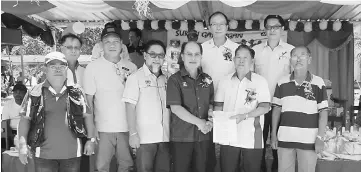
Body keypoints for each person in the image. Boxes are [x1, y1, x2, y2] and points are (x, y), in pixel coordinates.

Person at [17, 52, 96, 172]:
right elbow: (24, 120)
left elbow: (88, 116)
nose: (58, 69)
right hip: (43, 155)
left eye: (62, 66)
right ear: (45, 69)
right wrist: (22, 145)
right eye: (53, 66)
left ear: (66, 69)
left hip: (72, 155)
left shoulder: (77, 91)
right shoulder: (34, 92)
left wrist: (91, 140)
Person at [83, 24, 137, 172]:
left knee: (127, 166)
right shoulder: (92, 68)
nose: (112, 45)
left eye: (115, 41)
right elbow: (88, 102)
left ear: (122, 45)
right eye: (107, 42)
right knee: (101, 167)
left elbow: (136, 102)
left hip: (127, 128)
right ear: (101, 45)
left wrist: (135, 130)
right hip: (102, 129)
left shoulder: (132, 68)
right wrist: (91, 130)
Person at [214, 45, 270, 172]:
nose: (241, 60)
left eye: (245, 57)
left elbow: (265, 107)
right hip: (228, 136)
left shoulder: (260, 81)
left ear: (252, 61)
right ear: (233, 60)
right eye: (238, 57)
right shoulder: (224, 81)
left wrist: (245, 116)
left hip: (251, 137)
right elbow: (218, 107)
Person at [271, 46, 328, 172]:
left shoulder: (318, 83)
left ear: (309, 59)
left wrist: (320, 137)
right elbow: (276, 111)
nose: (298, 58)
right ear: (290, 60)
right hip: (285, 138)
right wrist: (273, 135)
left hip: (309, 140)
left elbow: (323, 112)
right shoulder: (282, 82)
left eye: (303, 55)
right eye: (295, 55)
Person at [252, 15, 295, 172]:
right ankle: (260, 168)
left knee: (280, 143)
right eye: (269, 27)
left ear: (282, 29)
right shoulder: (255, 51)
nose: (272, 30)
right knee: (260, 142)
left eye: (276, 26)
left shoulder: (291, 51)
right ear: (265, 29)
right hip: (260, 105)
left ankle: (279, 168)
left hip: (282, 106)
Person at [123, 40, 170, 172]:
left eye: (161, 55)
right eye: (153, 54)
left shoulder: (167, 79)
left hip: (165, 137)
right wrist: (133, 133)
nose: (157, 59)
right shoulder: (135, 78)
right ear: (145, 56)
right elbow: (129, 107)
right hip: (144, 139)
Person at [166, 41, 214, 172]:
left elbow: (211, 103)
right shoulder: (174, 80)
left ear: (201, 57)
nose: (193, 58)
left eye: (197, 54)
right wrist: (200, 123)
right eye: (189, 54)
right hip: (182, 137)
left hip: (204, 136)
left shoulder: (207, 79)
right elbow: (176, 108)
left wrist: (210, 121)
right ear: (182, 56)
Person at [201, 11, 239, 92]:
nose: (218, 28)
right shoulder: (202, 48)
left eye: (222, 24)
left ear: (227, 27)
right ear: (209, 28)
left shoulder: (236, 49)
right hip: (206, 96)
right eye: (214, 24)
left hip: (229, 96)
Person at [1, 83, 27, 149]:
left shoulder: (30, 104)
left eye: (21, 92)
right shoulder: (8, 105)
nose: (18, 95)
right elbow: (5, 123)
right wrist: (13, 137)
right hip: (12, 133)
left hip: (28, 133)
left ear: (26, 94)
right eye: (15, 92)